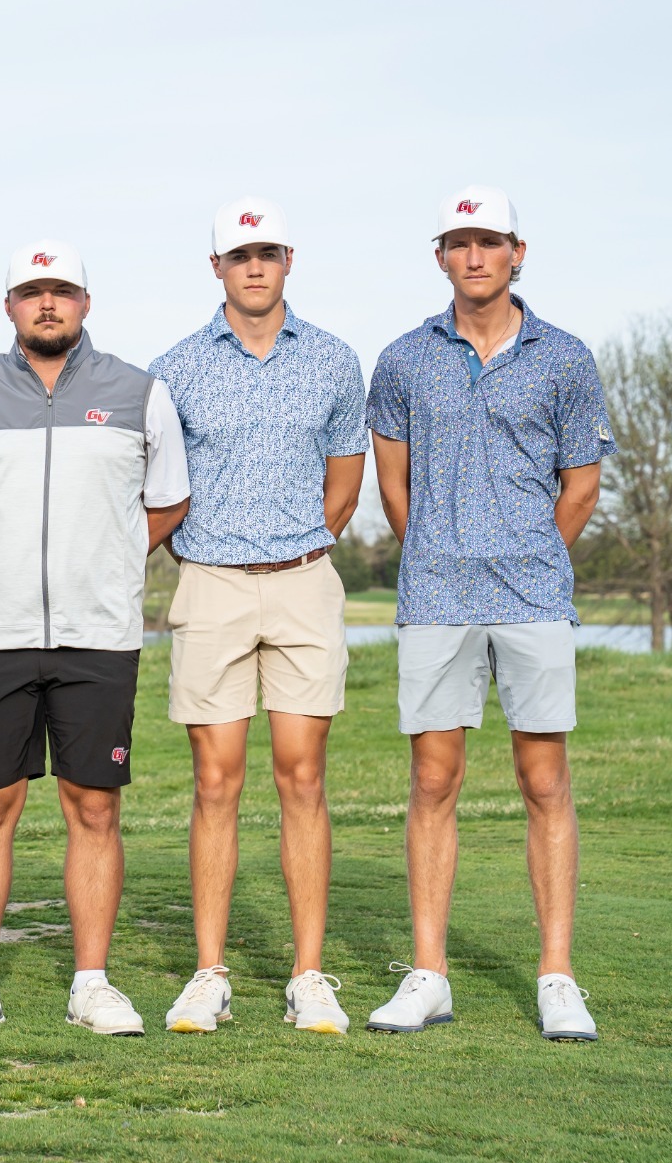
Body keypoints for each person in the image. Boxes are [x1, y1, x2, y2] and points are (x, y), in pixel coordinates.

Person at [0, 241, 190, 1037]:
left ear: (85, 302)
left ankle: (91, 984)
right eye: (32, 291)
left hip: (97, 633)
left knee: (94, 807)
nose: (47, 303)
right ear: (9, 305)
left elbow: (168, 500)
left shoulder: (139, 393)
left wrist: (111, 559)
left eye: (62, 290)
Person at [364, 185, 615, 1041]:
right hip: (436, 594)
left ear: (517, 252)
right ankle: (428, 975)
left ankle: (557, 977)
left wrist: (529, 555)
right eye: (459, 242)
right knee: (434, 780)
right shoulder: (403, 359)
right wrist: (440, 552)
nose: (474, 256)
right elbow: (394, 485)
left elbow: (581, 486)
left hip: (533, 594)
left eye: (489, 241)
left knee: (544, 780)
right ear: (440, 256)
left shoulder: (565, 358)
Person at [149, 198, 367, 1037]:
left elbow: (343, 487)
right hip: (211, 584)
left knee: (302, 776)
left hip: (306, 581)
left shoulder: (334, 361)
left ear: (287, 260)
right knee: (216, 780)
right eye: (239, 255)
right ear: (217, 267)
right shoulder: (174, 369)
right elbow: (159, 487)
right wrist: (211, 555)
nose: (254, 266)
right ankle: (209, 974)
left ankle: (309, 976)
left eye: (267, 252)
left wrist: (293, 550)